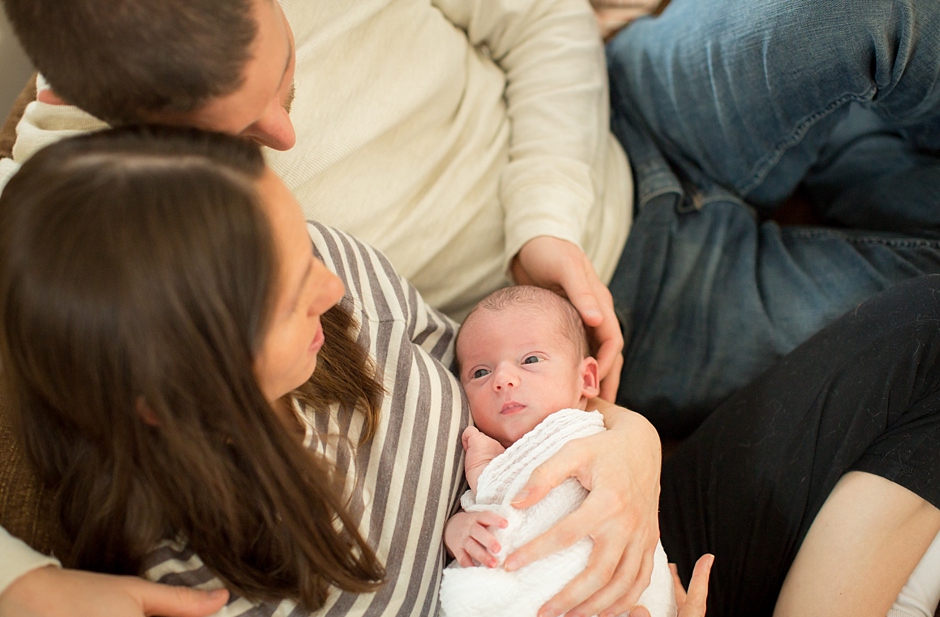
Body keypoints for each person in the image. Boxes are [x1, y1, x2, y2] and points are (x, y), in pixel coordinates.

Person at [1, 128, 938, 617]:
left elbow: (525, 388)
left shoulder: (336, 274)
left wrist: (632, 445)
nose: (333, 284)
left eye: (302, 242)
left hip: (639, 517)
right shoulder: (200, 579)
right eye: (293, 297)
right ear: (181, 391)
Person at [3, 0, 940, 436]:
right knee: (925, 337)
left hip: (621, 106)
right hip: (598, 332)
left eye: (286, 82)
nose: (284, 136)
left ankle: (857, 155)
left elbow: (539, 20)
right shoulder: (77, 202)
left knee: (873, 12)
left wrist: (546, 223)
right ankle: (859, 156)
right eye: (238, 138)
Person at [438, 285, 675, 617]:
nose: (503, 379)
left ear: (587, 378)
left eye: (530, 360)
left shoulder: (591, 435)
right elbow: (489, 509)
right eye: (481, 372)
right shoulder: (481, 453)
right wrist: (457, 532)